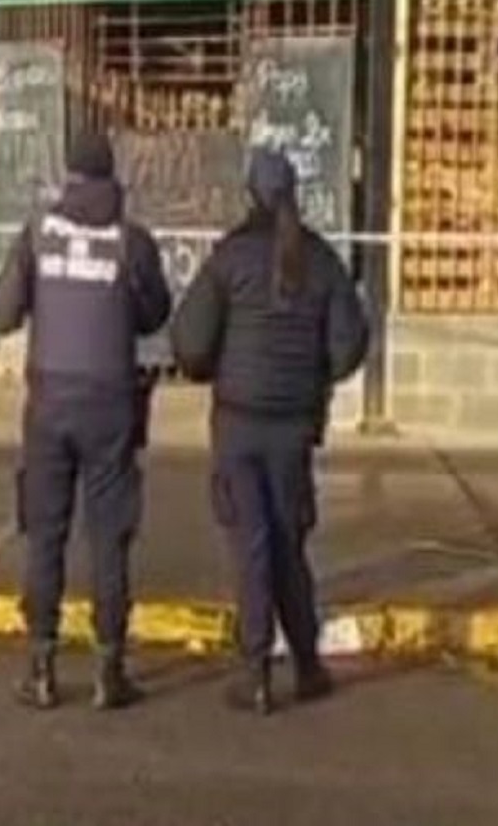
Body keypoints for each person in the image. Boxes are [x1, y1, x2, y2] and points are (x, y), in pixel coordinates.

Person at [170, 148, 367, 716]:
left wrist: (211, 371)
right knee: (287, 544)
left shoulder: (230, 259)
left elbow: (189, 341)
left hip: (237, 422)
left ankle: (255, 669)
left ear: (249, 194)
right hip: (294, 427)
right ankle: (305, 662)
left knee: (251, 543)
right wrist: (316, 376)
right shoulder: (321, 260)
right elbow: (350, 343)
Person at [0, 130, 172, 711]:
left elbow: (0, 314)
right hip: (112, 404)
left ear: (69, 175)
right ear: (111, 176)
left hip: (49, 403)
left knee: (46, 533)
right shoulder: (131, 242)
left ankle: (41, 668)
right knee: (109, 537)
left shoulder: (39, 234)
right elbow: (153, 315)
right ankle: (109, 671)